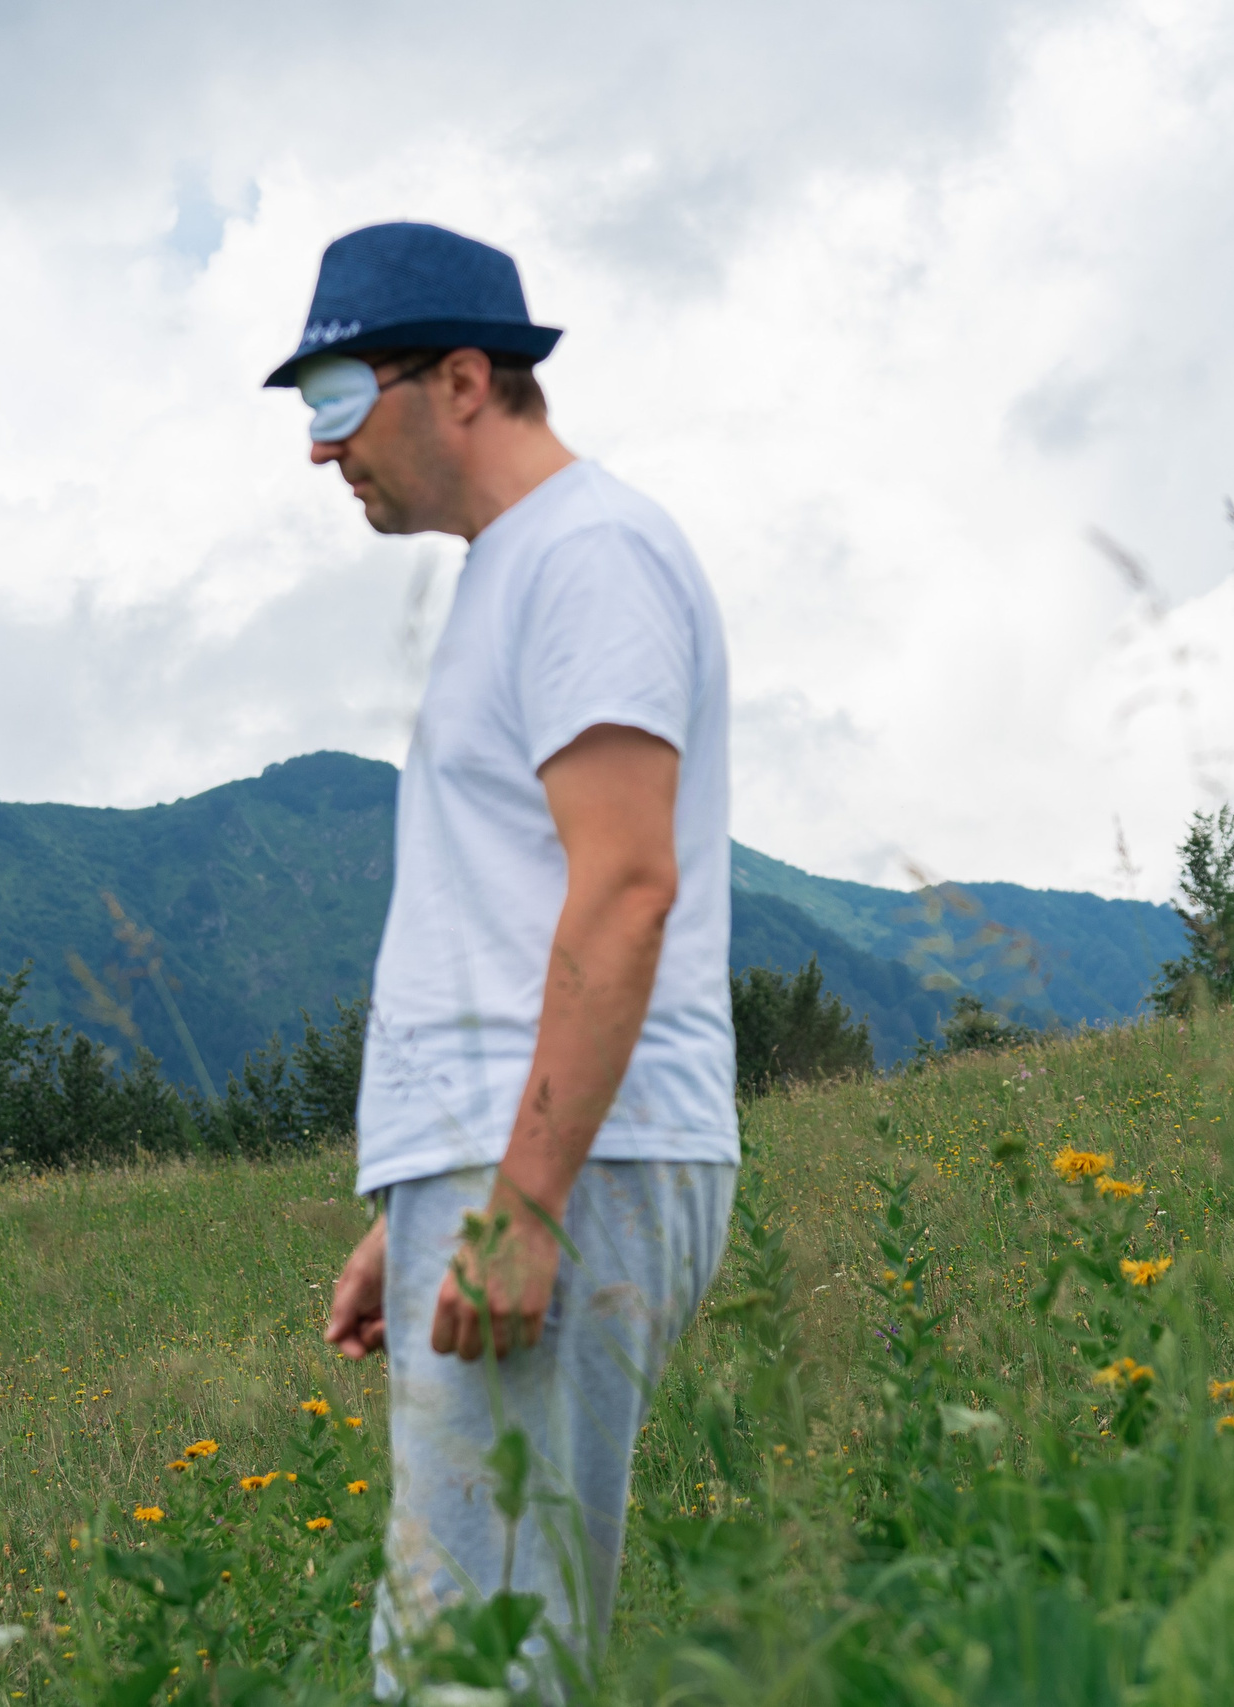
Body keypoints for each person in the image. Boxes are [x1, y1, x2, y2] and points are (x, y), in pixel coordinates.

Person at [277, 223, 739, 1695]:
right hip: (503, 1159)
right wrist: (420, 1199)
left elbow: (623, 889)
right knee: (465, 1631)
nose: (319, 448)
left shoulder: (587, 553)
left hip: (566, 1167)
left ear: (464, 377)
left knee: (481, 1655)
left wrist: (519, 1197)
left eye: (339, 394)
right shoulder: (513, 568)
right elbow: (508, 901)